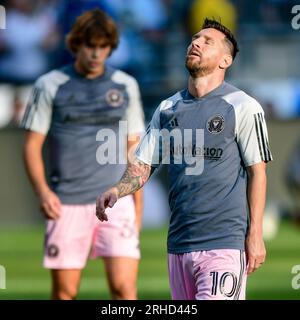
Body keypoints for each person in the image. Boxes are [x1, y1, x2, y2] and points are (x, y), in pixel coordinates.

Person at [96, 18, 273, 300]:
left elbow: (258, 173)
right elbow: (143, 165)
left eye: (207, 41)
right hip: (178, 245)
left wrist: (255, 234)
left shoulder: (243, 106)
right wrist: (118, 189)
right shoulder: (167, 108)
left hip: (223, 244)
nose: (196, 43)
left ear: (225, 60)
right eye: (195, 38)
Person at [21, 8, 145, 300]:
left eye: (103, 46)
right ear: (77, 44)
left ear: (111, 47)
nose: (96, 53)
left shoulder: (126, 86)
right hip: (67, 203)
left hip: (116, 201)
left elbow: (134, 149)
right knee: (65, 292)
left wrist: (136, 204)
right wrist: (43, 192)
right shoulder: (49, 85)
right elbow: (31, 145)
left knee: (124, 289)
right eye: (91, 45)